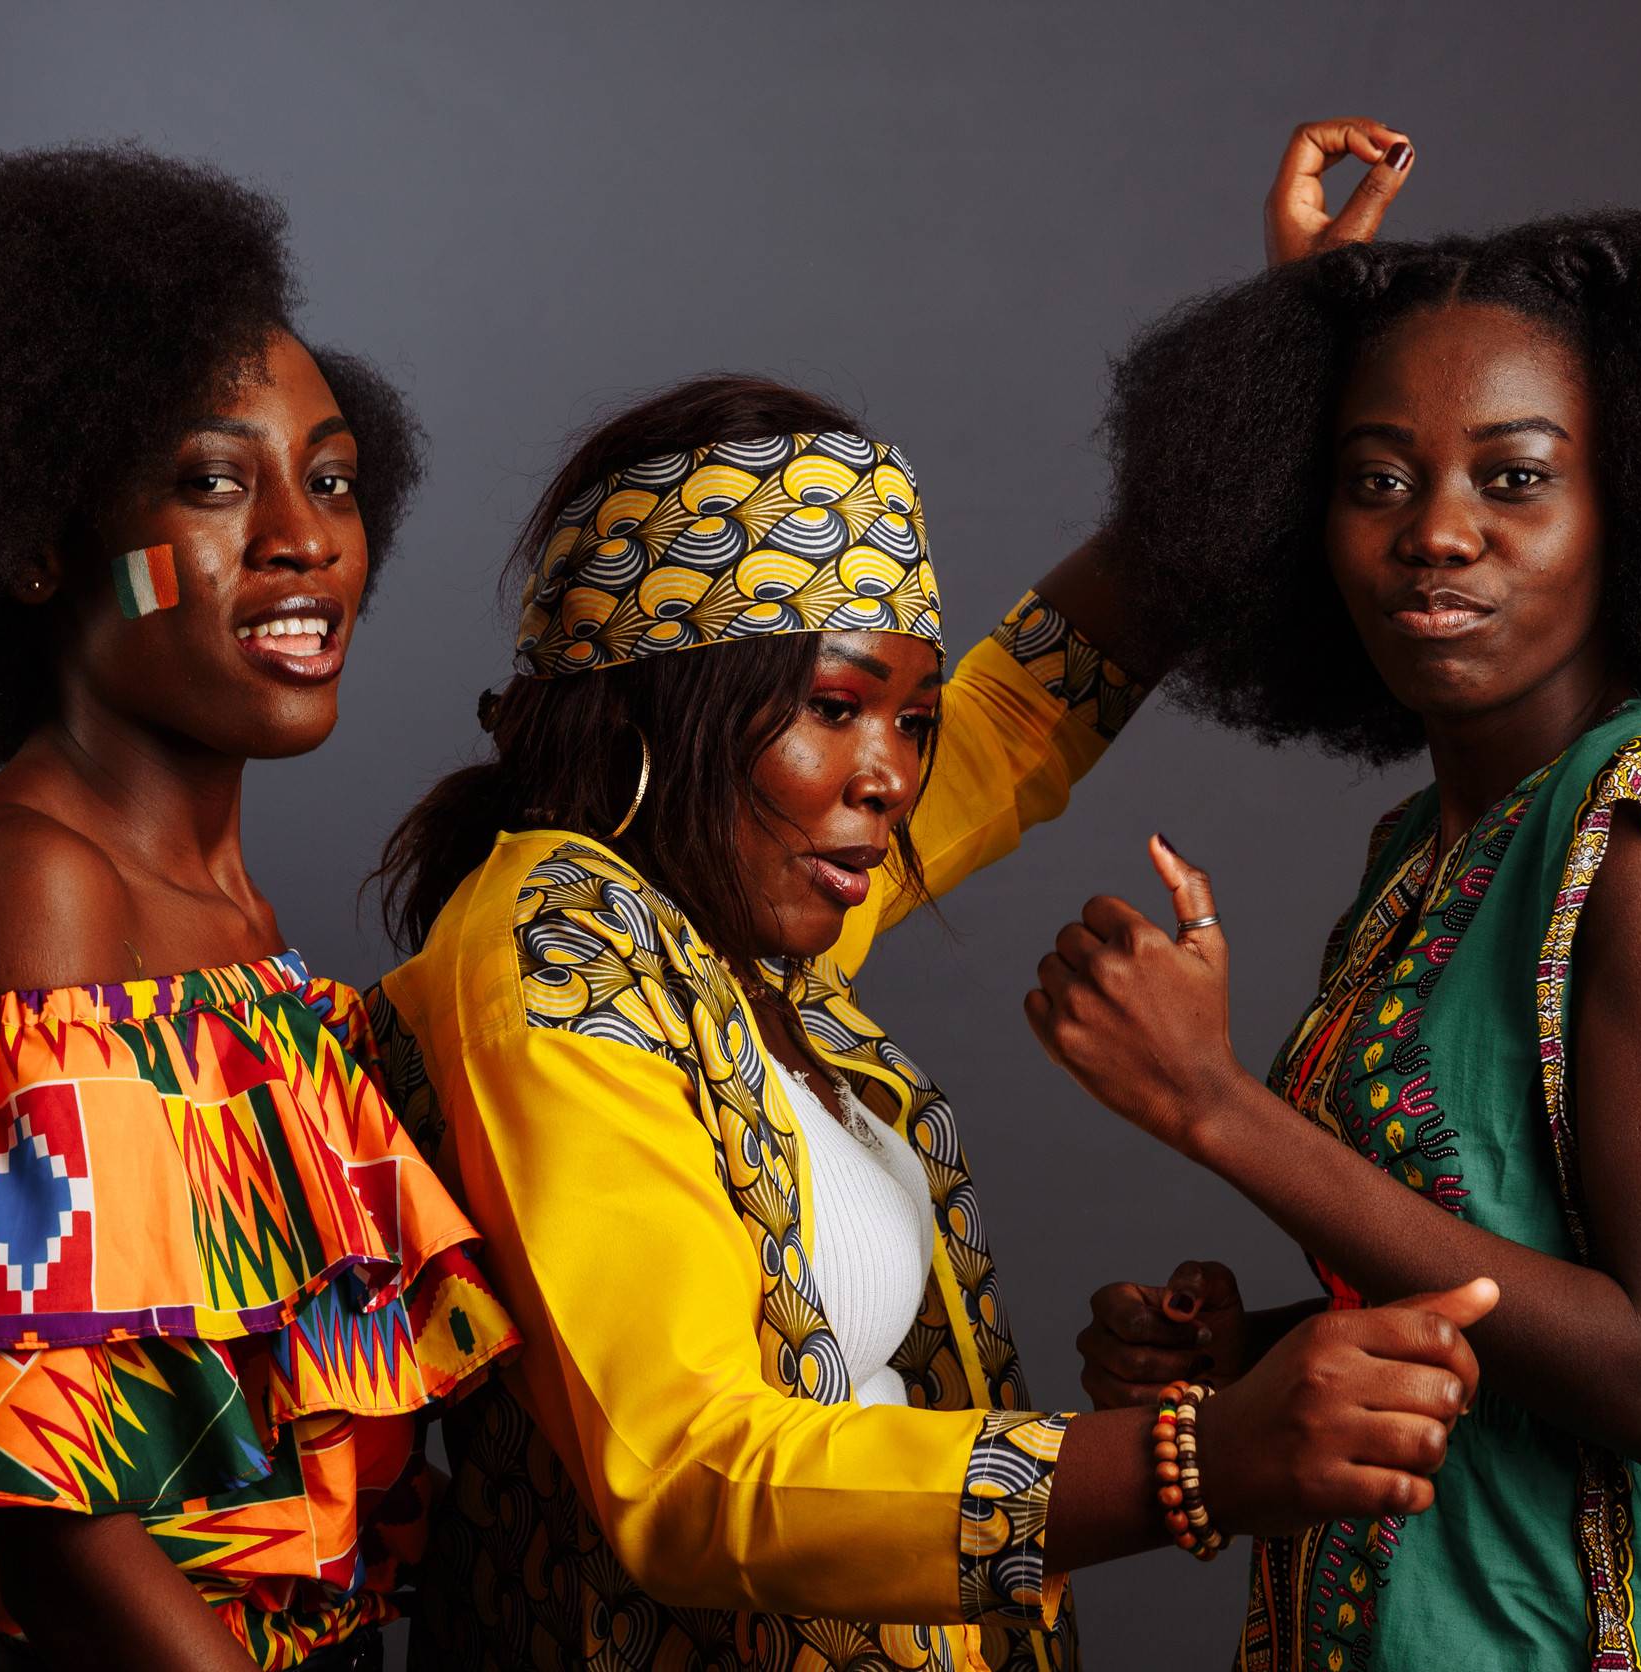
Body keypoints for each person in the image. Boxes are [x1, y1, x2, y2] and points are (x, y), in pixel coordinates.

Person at [365, 342, 1498, 1669]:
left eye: (910, 718)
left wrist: (1293, 341)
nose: (891, 775)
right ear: (664, 707)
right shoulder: (553, 962)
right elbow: (686, 1474)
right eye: (836, 707)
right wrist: (1195, 1462)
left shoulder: (734, 943)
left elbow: (1021, 713)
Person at [1035, 202, 1641, 1669]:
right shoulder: (1427, 852)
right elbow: (1493, 1288)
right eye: (1376, 479)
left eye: (1516, 479)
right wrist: (1244, 1355)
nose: (1435, 532)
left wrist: (1215, 1109)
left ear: (1640, 506)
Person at [0, 145, 517, 1671]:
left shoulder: (219, 909)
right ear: (31, 543)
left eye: (331, 477)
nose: (305, 537)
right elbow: (65, 1523)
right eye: (214, 481)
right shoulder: (45, 897)